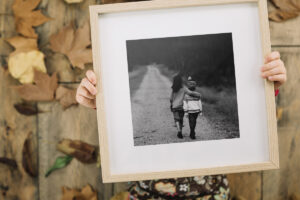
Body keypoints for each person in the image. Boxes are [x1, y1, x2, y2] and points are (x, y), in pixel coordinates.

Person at [76, 51, 287, 200]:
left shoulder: (186, 89)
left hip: (210, 193)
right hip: (146, 194)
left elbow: (250, 112)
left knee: (186, 122)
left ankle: (185, 129)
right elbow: (120, 122)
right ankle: (182, 129)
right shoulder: (175, 90)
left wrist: (264, 87)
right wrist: (103, 103)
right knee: (181, 121)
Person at [170, 74, 201, 139]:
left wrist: (171, 104)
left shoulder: (173, 89)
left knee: (176, 119)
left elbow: (171, 98)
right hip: (182, 106)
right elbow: (190, 93)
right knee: (181, 119)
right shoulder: (184, 88)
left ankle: (179, 131)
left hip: (175, 106)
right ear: (181, 81)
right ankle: (180, 131)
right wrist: (198, 94)